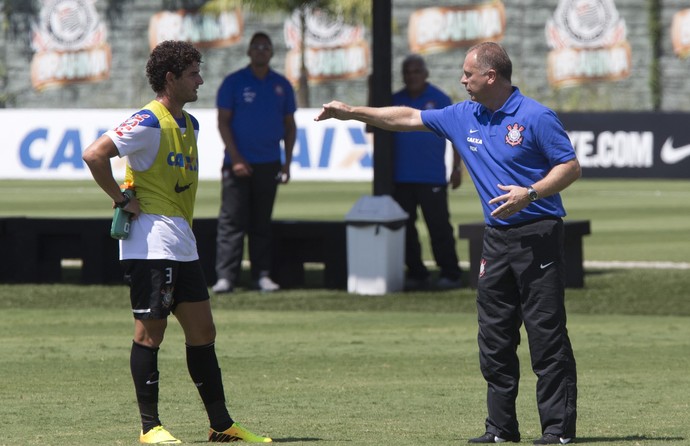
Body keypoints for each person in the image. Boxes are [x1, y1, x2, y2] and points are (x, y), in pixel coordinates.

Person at [315, 42, 579, 445]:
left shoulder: (536, 116)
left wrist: (530, 192)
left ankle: (557, 431)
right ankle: (501, 430)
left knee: (546, 336)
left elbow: (570, 166)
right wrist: (352, 112)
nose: (461, 80)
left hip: (538, 235)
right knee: (494, 338)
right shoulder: (462, 114)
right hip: (496, 240)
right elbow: (405, 117)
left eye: (468, 73)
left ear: (490, 76)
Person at [82, 40, 272, 444]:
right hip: (150, 243)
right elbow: (95, 154)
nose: (200, 80)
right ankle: (150, 428)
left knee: (203, 331)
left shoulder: (191, 125)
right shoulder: (148, 121)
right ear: (170, 79)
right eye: (192, 74)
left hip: (182, 240)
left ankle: (221, 426)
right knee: (150, 334)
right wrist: (120, 199)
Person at [212, 31, 297, 294]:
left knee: (262, 223)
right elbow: (223, 122)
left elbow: (289, 126)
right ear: (249, 52)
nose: (261, 51)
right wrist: (235, 157)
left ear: (271, 53)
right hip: (237, 163)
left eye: (266, 47)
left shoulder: (281, 85)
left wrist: (286, 162)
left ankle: (261, 275)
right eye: (256, 46)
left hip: (269, 162)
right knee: (232, 222)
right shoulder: (234, 82)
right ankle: (226, 277)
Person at [392, 54, 463, 290]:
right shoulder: (395, 100)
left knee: (439, 227)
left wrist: (456, 168)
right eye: (407, 72)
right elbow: (373, 129)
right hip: (400, 177)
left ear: (425, 74)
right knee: (406, 230)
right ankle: (416, 273)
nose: (412, 76)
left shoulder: (440, 98)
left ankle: (450, 273)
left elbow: (457, 136)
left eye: (416, 71)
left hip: (431, 176)